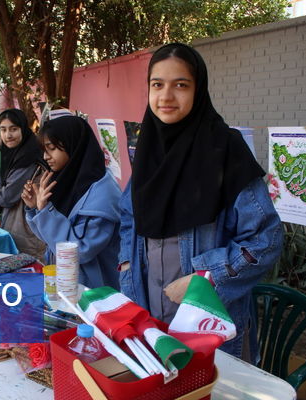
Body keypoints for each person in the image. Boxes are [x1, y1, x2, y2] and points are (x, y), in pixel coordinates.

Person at [118, 43, 283, 362]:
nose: (166, 97)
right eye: (157, 85)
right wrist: (127, 265)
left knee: (207, 387)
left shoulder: (226, 148)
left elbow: (266, 239)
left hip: (206, 312)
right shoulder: (148, 149)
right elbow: (129, 217)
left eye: (180, 85)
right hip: (148, 301)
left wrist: (204, 280)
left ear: (199, 89)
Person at [21, 116, 121, 289]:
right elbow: (51, 239)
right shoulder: (67, 180)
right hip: (67, 284)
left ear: (73, 145)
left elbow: (79, 250)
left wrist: (45, 212)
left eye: (51, 148)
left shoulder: (103, 195)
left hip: (93, 292)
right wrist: (35, 208)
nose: (46, 156)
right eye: (44, 149)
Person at [0, 109, 46, 260]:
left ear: (23, 129)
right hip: (13, 226)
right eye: (3, 130)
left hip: (27, 231)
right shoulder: (11, 156)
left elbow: (7, 196)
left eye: (13, 129)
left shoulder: (28, 158)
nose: (8, 135)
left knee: (30, 273)